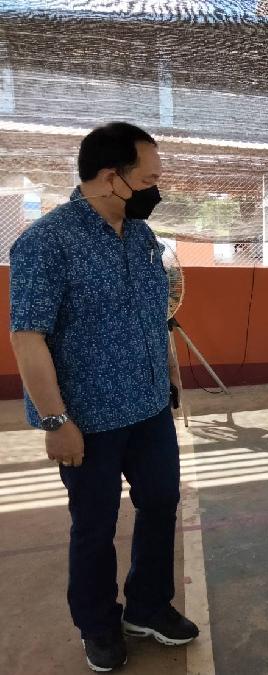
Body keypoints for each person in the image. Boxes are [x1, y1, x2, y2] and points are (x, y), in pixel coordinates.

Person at [8, 122, 198, 672]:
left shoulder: (142, 238)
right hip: (86, 419)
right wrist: (55, 421)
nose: (157, 191)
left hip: (149, 407)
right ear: (112, 178)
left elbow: (155, 317)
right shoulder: (46, 243)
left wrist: (170, 379)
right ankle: (98, 625)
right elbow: (27, 337)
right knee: (94, 525)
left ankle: (148, 607)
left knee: (160, 503)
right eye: (150, 180)